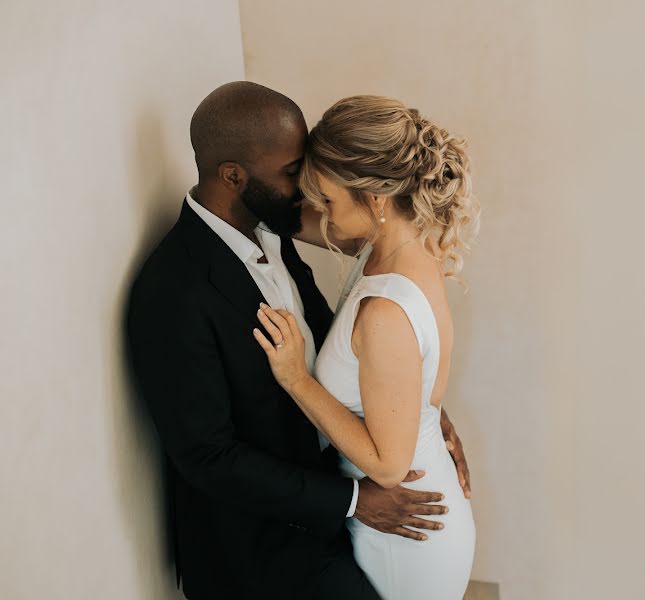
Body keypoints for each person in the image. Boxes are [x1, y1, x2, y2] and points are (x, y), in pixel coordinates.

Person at [127, 82, 470, 600]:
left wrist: (415, 408)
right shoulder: (175, 290)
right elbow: (207, 457)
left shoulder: (278, 234)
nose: (308, 188)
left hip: (343, 512)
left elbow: (361, 348)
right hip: (261, 548)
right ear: (234, 176)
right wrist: (352, 500)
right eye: (293, 173)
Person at [254, 95, 480, 600]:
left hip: (407, 532)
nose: (321, 212)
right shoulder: (398, 246)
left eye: (329, 199)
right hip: (409, 510)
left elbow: (387, 466)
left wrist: (295, 378)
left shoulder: (384, 313)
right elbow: (294, 221)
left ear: (376, 200)